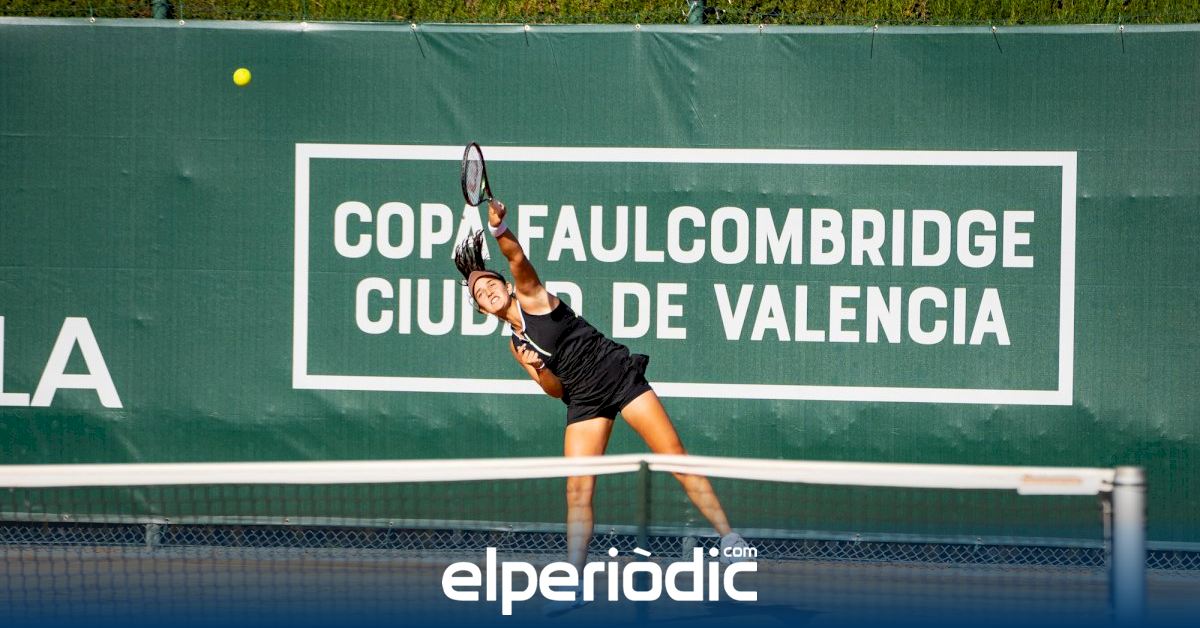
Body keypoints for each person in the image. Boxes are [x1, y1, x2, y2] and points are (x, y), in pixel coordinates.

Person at [453, 199, 748, 615]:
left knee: (674, 457)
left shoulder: (533, 296)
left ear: (506, 285)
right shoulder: (516, 346)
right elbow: (554, 390)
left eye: (490, 285)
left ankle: (730, 540)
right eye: (481, 295)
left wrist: (500, 229)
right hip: (583, 398)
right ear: (483, 310)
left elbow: (516, 257)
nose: (488, 292)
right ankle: (574, 582)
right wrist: (541, 370)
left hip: (616, 374)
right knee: (577, 490)